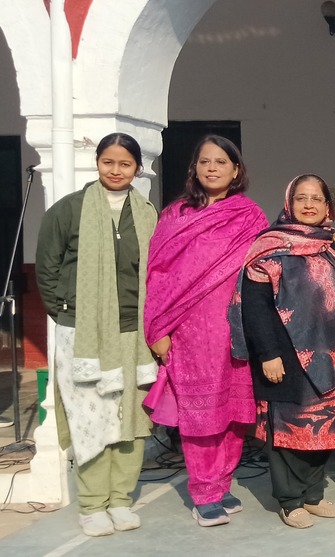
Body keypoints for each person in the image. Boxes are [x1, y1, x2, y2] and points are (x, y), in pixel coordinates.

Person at [35, 133, 158, 537]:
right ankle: (92, 504)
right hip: (84, 334)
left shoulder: (147, 213)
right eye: (108, 162)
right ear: (97, 162)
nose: (116, 170)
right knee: (90, 417)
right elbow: (47, 269)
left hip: (134, 332)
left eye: (125, 164)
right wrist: (68, 312)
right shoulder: (68, 210)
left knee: (131, 418)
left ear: (137, 168)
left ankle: (120, 499)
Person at [144, 135, 268, 527]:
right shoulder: (175, 215)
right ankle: (204, 493)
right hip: (189, 332)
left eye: (220, 162)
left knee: (234, 413)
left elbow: (269, 264)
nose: (212, 168)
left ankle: (222, 483)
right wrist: (157, 328)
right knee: (200, 415)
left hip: (235, 328)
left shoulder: (250, 216)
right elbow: (158, 274)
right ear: (194, 168)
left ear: (236, 169)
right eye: (204, 161)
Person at [229, 174, 335, 529]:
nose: (309, 205)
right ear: (289, 203)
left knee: (324, 428)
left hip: (334, 356)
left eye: (316, 198)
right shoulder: (269, 248)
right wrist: (268, 354)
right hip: (285, 357)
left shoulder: (333, 248)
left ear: (328, 206)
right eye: (302, 198)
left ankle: (313, 495)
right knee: (289, 431)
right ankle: (290, 501)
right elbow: (255, 307)